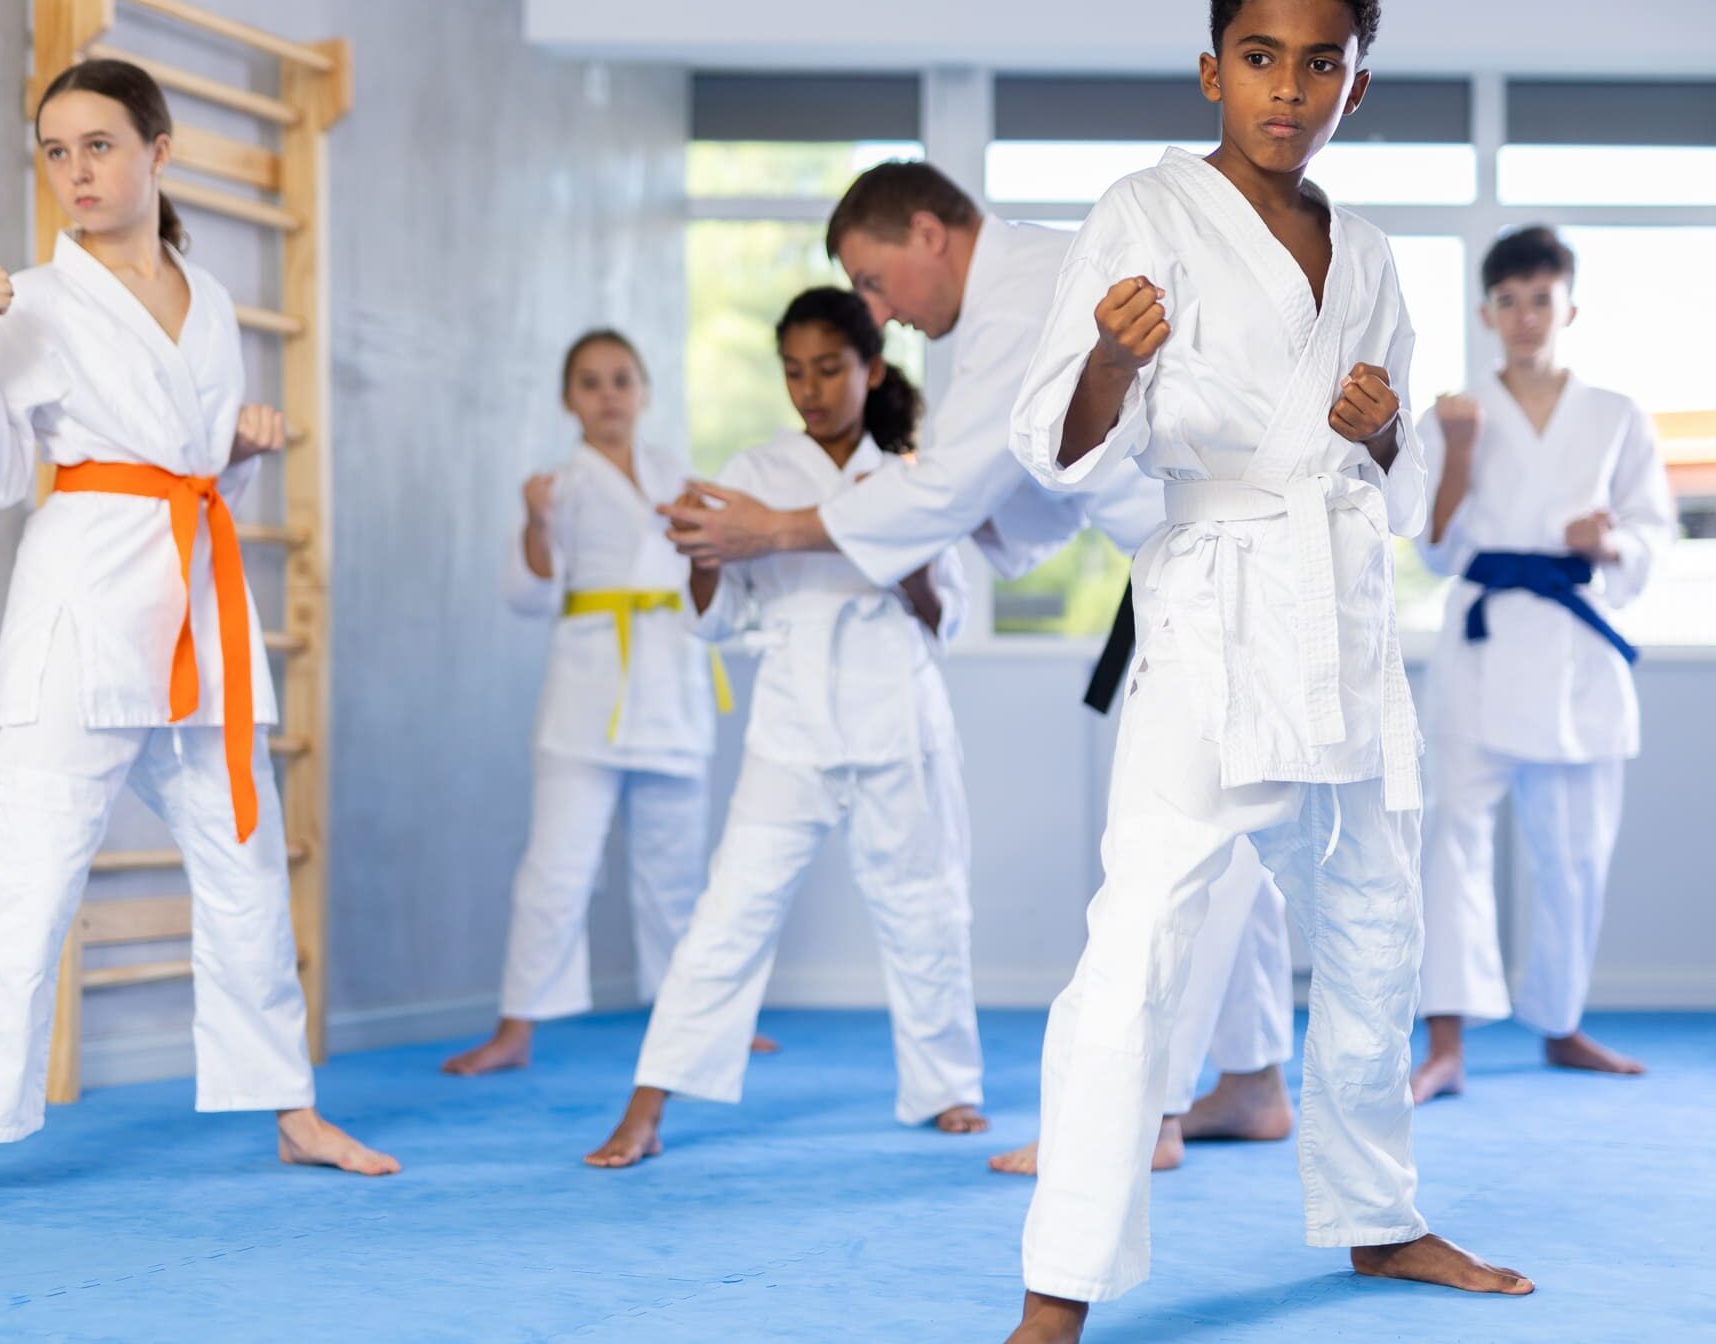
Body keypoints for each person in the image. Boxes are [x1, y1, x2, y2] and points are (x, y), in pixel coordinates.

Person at [1000, 3, 1533, 1337]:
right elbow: (1048, 445)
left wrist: (1389, 424)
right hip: (1215, 609)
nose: (1287, 88)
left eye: (1320, 62)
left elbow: (1404, 494)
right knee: (1137, 949)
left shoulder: (1376, 256)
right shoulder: (1143, 210)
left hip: (1344, 619)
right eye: (1259, 58)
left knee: (1372, 937)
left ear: (1356, 83)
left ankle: (1380, 1218)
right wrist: (1115, 361)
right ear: (1211, 72)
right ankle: (1059, 1285)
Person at [0, 59, 395, 1218]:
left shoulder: (218, 300)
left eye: (98, 145)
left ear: (158, 150)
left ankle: (289, 1110)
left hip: (194, 610)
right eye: (55, 151)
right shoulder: (28, 298)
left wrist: (238, 446)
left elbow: (188, 477)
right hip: (80, 618)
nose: (75, 171)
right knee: (23, 890)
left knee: (243, 875)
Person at [667, 161, 1300, 1178]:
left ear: (929, 233)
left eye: (875, 283)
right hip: (1219, 565)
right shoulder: (1032, 287)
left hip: (1231, 567)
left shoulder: (1023, 295)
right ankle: (1254, 1082)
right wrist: (924, 506)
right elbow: (1046, 484)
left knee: (1178, 845)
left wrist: (777, 529)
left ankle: (1147, 1115)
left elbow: (956, 488)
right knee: (1229, 846)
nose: (882, 314)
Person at [587, 287, 983, 1166]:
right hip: (794, 723)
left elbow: (945, 616)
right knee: (729, 912)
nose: (809, 389)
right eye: (794, 372)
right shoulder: (752, 474)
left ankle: (947, 1087)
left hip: (896, 711)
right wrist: (703, 553)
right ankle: (648, 1107)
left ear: (872, 369)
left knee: (927, 906)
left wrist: (899, 547)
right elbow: (715, 620)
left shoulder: (912, 472)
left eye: (829, 369)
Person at [441, 331, 766, 1076]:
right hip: (587, 697)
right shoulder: (558, 487)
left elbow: (715, 573)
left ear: (644, 391)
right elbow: (527, 595)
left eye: (622, 379)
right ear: (568, 400)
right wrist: (533, 523)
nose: (608, 395)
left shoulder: (680, 477)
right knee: (556, 869)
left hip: (670, 688)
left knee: (677, 874)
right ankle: (516, 1028)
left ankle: (697, 1020)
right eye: (590, 383)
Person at [1409, 226, 1675, 1104]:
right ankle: (1445, 1039)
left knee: (1576, 853)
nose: (1525, 317)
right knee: (1451, 842)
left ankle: (1561, 1024)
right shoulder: (1456, 411)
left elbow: (1652, 529)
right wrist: (1452, 449)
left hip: (1575, 648)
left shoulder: (1615, 415)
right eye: (1509, 301)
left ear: (1569, 308)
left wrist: (1608, 542)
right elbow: (1436, 547)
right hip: (1482, 649)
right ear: (1487, 313)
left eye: (1541, 299)